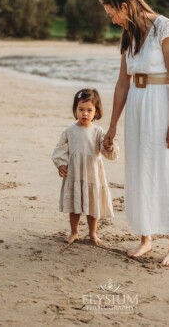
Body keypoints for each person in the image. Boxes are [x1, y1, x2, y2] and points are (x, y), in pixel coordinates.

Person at [101, 0, 169, 266]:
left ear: (125, 6)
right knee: (139, 169)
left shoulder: (165, 28)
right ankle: (146, 238)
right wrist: (112, 125)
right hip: (137, 106)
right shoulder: (128, 35)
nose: (112, 19)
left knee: (167, 168)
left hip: (161, 105)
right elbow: (123, 82)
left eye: (113, 13)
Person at [52, 88, 118, 245]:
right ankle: (74, 232)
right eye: (81, 109)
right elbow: (60, 148)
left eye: (89, 110)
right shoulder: (70, 131)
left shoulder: (98, 132)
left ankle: (93, 233)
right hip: (74, 174)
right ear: (75, 109)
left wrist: (109, 147)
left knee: (92, 205)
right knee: (74, 206)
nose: (85, 114)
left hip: (92, 175)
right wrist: (61, 164)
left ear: (96, 111)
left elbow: (106, 150)